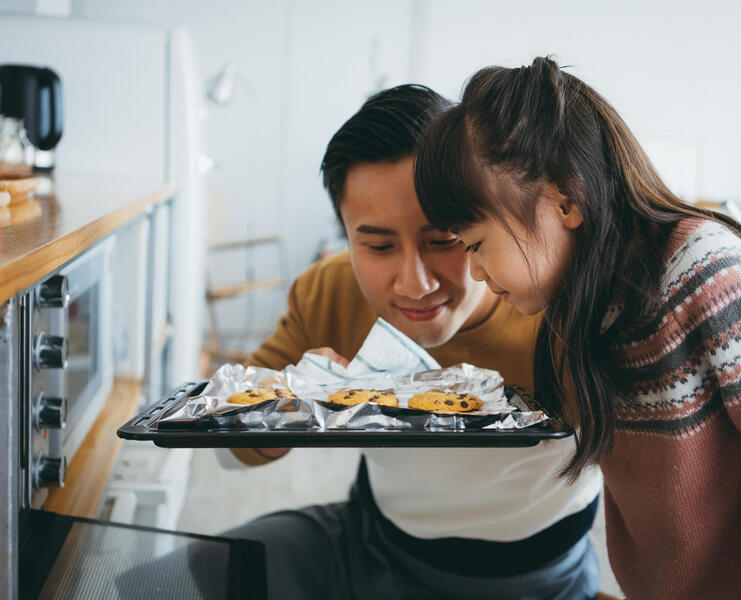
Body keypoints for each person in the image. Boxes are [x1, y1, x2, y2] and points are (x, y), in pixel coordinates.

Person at [412, 57, 741, 599]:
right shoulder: (581, 307)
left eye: (476, 244)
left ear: (565, 201)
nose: (474, 270)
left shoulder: (710, 276)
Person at [213, 84, 603, 599]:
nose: (414, 284)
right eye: (376, 245)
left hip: (539, 577)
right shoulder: (329, 292)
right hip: (370, 544)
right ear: (345, 235)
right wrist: (295, 408)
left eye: (445, 240)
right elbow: (223, 450)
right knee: (175, 580)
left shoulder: (563, 306)